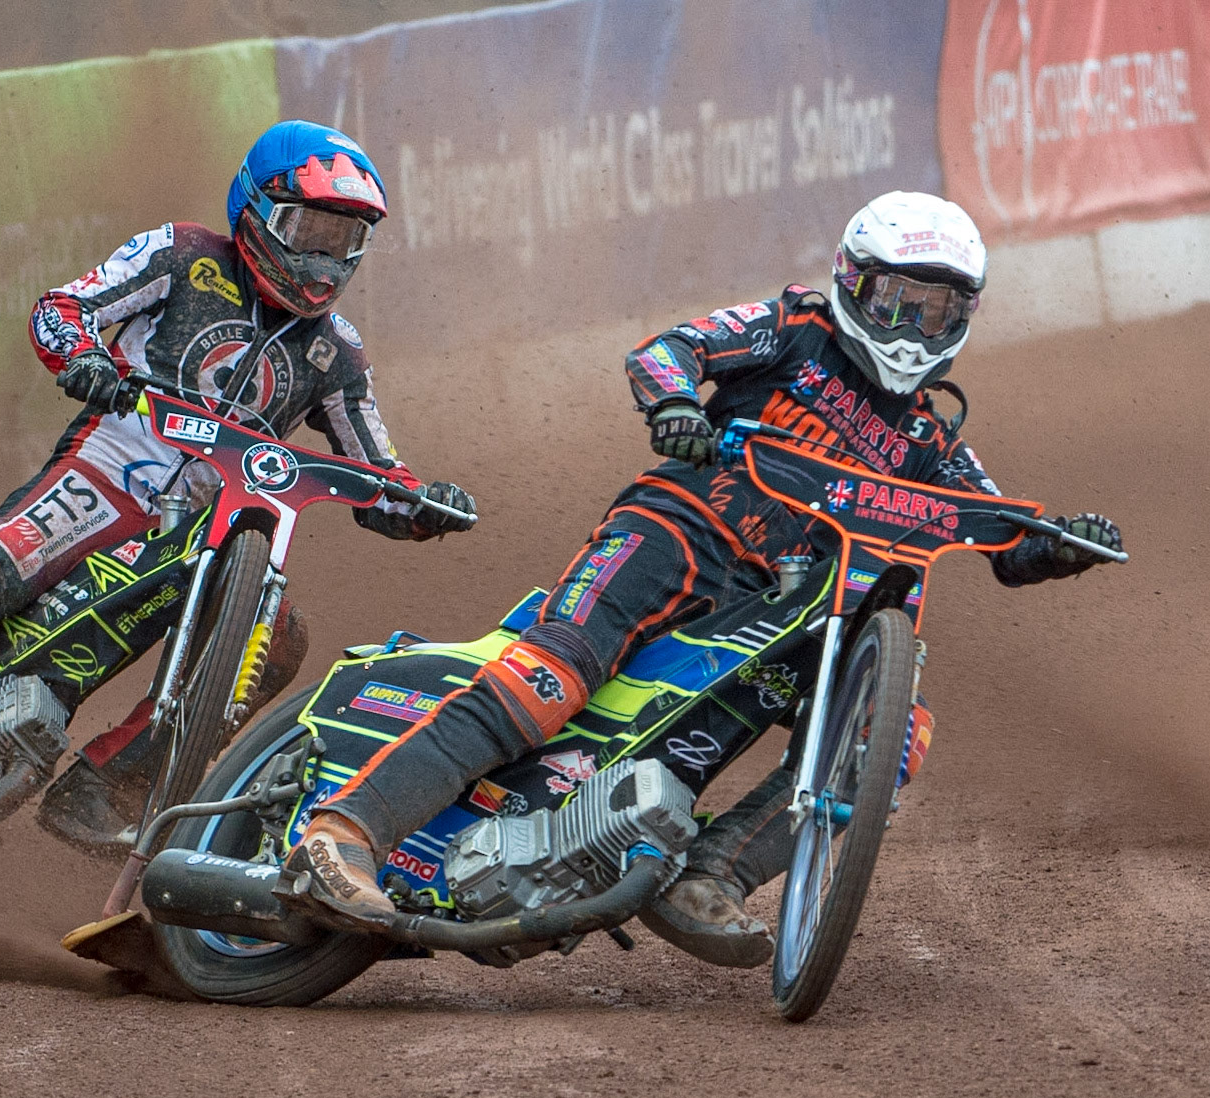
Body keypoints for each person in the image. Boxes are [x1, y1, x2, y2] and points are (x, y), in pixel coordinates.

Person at [284, 191, 1124, 965]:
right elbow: (667, 350)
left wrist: (1063, 544)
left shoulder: (930, 443)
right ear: (850, 282)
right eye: (897, 301)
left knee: (893, 731)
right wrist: (676, 405)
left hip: (779, 614)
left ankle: (711, 873)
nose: (912, 326)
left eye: (935, 309)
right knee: (552, 674)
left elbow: (1006, 539)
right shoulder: (791, 327)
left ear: (963, 317)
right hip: (676, 533)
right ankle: (346, 831)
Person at [0, 120, 477, 851]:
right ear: (257, 212)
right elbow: (63, 307)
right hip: (107, 472)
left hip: (204, 533)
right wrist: (84, 358)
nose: (322, 259)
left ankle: (104, 789)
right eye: (309, 231)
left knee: (273, 641)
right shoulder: (183, 255)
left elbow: (381, 475)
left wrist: (425, 505)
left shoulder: (335, 353)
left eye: (343, 240)